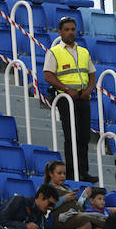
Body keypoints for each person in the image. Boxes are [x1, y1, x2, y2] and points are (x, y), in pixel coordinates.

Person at [43, 16, 95, 181]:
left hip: (83, 97)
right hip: (66, 98)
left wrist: (89, 89)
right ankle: (72, 172)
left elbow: (92, 73)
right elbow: (48, 75)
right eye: (66, 29)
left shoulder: (83, 51)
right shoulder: (54, 52)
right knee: (71, 135)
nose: (70, 32)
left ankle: (83, 171)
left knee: (84, 136)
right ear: (60, 32)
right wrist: (65, 89)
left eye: (72, 29)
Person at [44, 160, 103, 229]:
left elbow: (78, 206)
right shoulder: (47, 188)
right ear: (51, 174)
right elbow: (46, 207)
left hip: (74, 216)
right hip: (58, 220)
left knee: (99, 227)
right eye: (59, 173)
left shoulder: (67, 188)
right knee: (85, 221)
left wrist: (84, 196)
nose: (62, 176)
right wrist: (64, 198)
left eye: (64, 174)